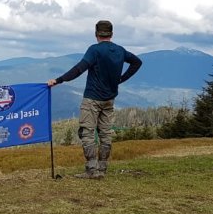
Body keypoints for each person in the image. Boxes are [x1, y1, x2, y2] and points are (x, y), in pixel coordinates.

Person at [48, 20, 142, 179]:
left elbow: (79, 69)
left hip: (92, 98)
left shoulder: (94, 50)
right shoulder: (120, 50)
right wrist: (121, 79)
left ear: (96, 34)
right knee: (105, 133)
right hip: (109, 99)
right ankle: (102, 168)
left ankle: (92, 170)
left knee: (87, 132)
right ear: (111, 34)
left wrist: (59, 80)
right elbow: (137, 62)